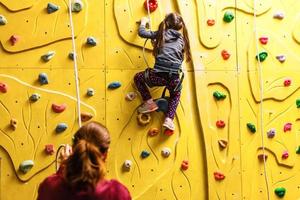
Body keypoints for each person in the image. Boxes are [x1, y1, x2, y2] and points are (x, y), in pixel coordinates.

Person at [37, 121, 131, 200]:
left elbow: (57, 187)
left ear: (74, 150)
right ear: (105, 155)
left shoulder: (49, 187)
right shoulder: (117, 193)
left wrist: (63, 167)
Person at [134, 12, 191, 131]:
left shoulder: (161, 34)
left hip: (158, 76)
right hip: (174, 79)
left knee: (138, 77)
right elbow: (175, 55)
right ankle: (169, 119)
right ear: (180, 26)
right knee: (175, 95)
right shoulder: (182, 39)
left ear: (166, 23)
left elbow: (142, 33)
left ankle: (149, 102)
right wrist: (157, 46)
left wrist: (144, 22)